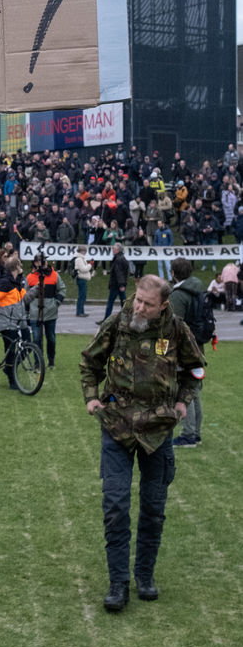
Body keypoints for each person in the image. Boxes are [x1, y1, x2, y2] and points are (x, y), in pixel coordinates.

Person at [81, 275, 204, 611]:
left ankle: (144, 576)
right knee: (116, 506)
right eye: (138, 300)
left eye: (148, 304)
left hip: (158, 431)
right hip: (117, 427)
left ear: (163, 304)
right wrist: (92, 397)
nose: (139, 307)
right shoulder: (117, 324)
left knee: (153, 508)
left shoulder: (177, 330)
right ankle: (117, 583)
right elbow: (89, 361)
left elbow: (195, 370)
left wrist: (183, 402)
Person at [168, 257, 209, 449]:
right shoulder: (198, 288)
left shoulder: (178, 295)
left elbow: (174, 326)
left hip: (184, 349)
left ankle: (189, 434)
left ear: (173, 273)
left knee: (185, 391)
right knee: (194, 390)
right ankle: (196, 433)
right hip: (198, 345)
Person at [0, 255, 27, 390]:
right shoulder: (4, 282)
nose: (22, 267)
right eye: (20, 265)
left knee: (28, 343)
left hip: (19, 320)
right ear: (16, 267)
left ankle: (9, 369)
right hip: (6, 321)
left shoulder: (18, 282)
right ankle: (11, 379)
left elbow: (24, 299)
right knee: (11, 351)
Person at [24, 252, 66, 369]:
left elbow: (62, 290)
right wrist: (26, 313)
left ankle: (51, 360)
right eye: (40, 261)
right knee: (36, 339)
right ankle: (38, 363)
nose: (43, 263)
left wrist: (56, 303)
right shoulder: (30, 277)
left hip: (51, 313)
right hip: (35, 313)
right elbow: (25, 296)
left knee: (51, 338)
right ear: (36, 263)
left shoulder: (54, 275)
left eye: (44, 260)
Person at [99, 241, 130, 322]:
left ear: (118, 250)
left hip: (116, 284)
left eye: (114, 249)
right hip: (120, 284)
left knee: (110, 303)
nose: (113, 250)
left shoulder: (118, 259)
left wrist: (121, 285)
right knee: (124, 303)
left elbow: (119, 273)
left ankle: (106, 319)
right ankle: (127, 319)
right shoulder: (121, 258)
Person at [73, 244, 93, 316]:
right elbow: (83, 269)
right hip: (81, 279)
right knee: (81, 296)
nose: (85, 253)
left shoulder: (81, 258)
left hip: (82, 279)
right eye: (84, 251)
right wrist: (90, 265)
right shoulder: (79, 259)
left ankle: (81, 311)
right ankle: (79, 312)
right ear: (81, 251)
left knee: (83, 296)